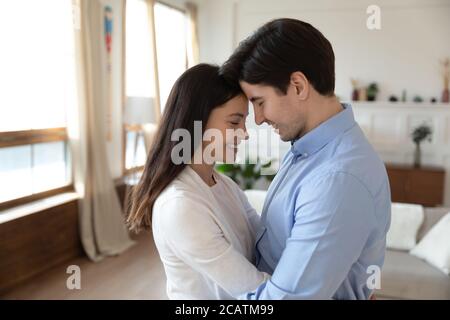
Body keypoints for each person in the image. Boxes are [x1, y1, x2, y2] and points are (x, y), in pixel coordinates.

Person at [219, 18, 391, 299]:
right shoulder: (309, 149)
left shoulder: (338, 180)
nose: (259, 119)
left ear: (298, 86)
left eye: (259, 102)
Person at [126, 63, 270, 299]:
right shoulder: (180, 205)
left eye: (244, 122)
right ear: (197, 121)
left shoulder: (224, 185)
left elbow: (264, 243)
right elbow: (256, 289)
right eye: (234, 122)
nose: (244, 133)